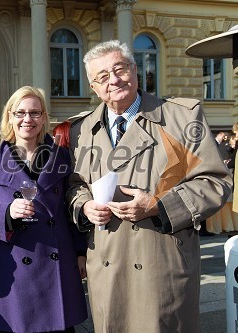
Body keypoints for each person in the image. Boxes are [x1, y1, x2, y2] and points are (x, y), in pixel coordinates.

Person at [66, 40, 232, 332]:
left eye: (120, 69)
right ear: (93, 87)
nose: (114, 80)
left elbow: (215, 181)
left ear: (135, 70)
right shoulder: (81, 130)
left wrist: (159, 205)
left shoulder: (181, 117)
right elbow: (75, 185)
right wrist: (84, 205)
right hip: (107, 270)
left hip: (162, 264)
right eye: (102, 76)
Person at [0, 86, 88, 333]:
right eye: (20, 113)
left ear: (44, 117)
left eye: (35, 113)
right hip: (14, 268)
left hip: (57, 262)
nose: (28, 119)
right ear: (10, 117)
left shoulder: (62, 157)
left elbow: (71, 208)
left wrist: (80, 251)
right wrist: (7, 213)